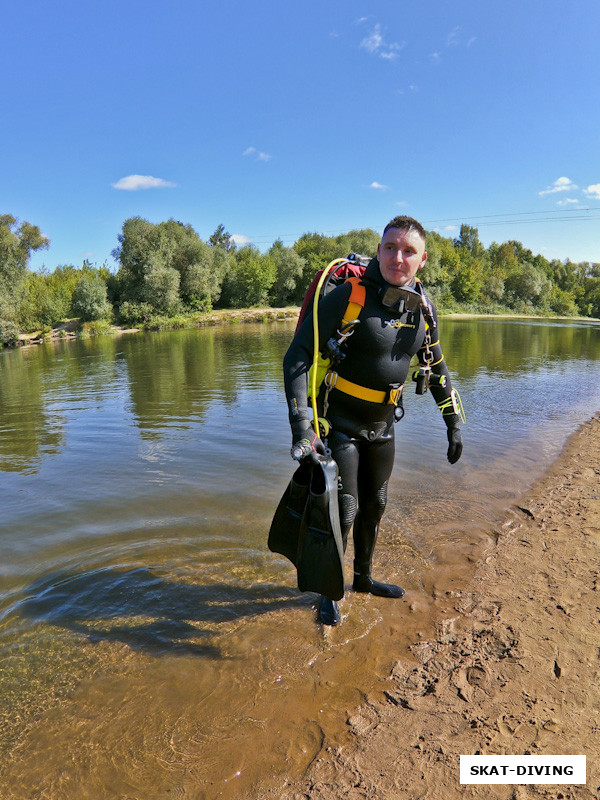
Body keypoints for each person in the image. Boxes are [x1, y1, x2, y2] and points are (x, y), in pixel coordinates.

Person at [283, 216, 463, 625]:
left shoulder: (424, 311)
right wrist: (302, 427)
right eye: (390, 248)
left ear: (423, 260)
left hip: (383, 428)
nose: (397, 258)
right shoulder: (350, 296)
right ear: (378, 250)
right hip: (339, 426)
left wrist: (452, 422)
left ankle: (363, 579)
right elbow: (297, 356)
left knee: (376, 506)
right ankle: (331, 589)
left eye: (408, 251)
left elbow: (435, 369)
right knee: (344, 511)